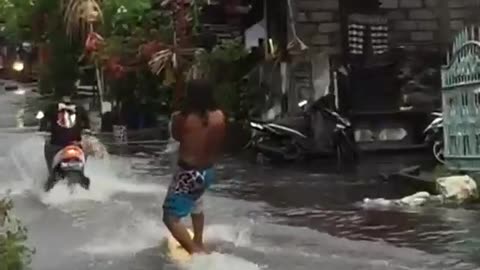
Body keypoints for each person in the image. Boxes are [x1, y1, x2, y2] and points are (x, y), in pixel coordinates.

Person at [162, 79, 226, 254]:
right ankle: (198, 241)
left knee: (170, 217)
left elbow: (176, 137)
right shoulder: (220, 116)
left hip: (188, 173)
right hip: (207, 172)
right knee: (196, 203)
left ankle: (196, 254)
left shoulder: (182, 118)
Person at [39, 95, 91, 191]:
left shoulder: (51, 108)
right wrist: (87, 131)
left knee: (48, 152)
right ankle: (81, 174)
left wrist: (43, 131)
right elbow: (87, 124)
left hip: (57, 144)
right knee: (84, 151)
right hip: (75, 144)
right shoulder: (80, 108)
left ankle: (50, 177)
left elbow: (43, 121)